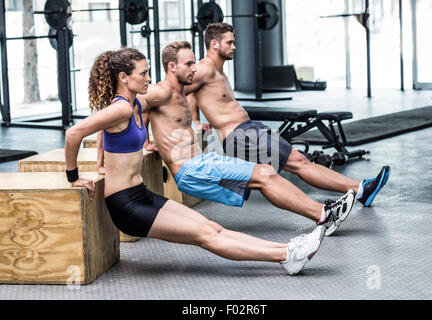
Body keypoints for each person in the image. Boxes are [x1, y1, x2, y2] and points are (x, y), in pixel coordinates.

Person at [64, 47, 326, 276]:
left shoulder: (131, 105)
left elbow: (103, 129)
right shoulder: (120, 108)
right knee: (207, 236)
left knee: (211, 226)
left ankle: (289, 251)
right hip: (127, 206)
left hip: (140, 194)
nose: (148, 78)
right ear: (124, 77)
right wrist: (74, 177)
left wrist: (102, 162)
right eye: (143, 73)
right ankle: (287, 254)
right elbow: (73, 133)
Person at [141, 41, 356, 238]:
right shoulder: (161, 91)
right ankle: (324, 214)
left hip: (201, 164)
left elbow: (145, 112)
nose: (194, 69)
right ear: (172, 67)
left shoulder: (180, 92)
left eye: (194, 63)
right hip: (190, 170)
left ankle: (322, 213)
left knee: (266, 172)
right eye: (188, 64)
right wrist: (143, 141)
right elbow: (130, 104)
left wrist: (148, 138)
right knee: (264, 174)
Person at [185, 22, 390, 208]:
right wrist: (181, 125)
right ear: (214, 44)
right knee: (299, 163)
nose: (234, 47)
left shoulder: (218, 72)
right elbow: (177, 91)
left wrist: (195, 121)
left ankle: (340, 201)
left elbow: (191, 93)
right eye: (229, 42)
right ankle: (360, 190)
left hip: (245, 133)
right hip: (243, 135)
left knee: (270, 179)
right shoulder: (204, 69)